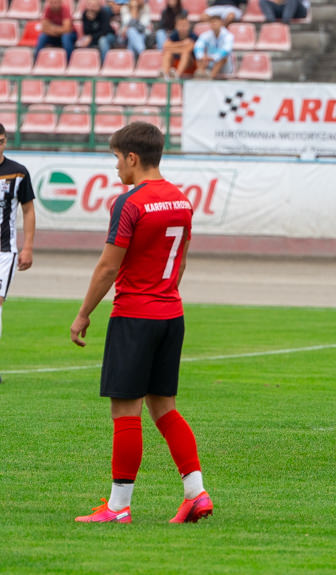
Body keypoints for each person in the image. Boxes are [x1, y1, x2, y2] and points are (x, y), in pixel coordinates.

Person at [71, 122, 211, 524]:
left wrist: (83, 313)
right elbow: (181, 259)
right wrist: (164, 293)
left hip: (134, 315)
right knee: (164, 407)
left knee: (125, 411)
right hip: (171, 314)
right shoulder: (182, 200)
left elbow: (107, 267)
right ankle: (195, 493)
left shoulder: (128, 203)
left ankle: (117, 507)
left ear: (132, 158)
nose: (115, 167)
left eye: (116, 158)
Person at [0, 124, 35, 385]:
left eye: (1, 141)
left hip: (4, 251)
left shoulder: (18, 172)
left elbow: (28, 210)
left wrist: (28, 246)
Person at [161, 12, 197, 78]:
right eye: (180, 25)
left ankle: (177, 75)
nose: (183, 27)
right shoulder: (174, 35)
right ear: (176, 26)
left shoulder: (193, 36)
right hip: (175, 62)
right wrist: (183, 44)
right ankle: (165, 74)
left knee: (185, 54)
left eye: (184, 25)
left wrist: (173, 47)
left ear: (188, 25)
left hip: (190, 65)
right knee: (168, 53)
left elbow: (189, 48)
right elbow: (165, 46)